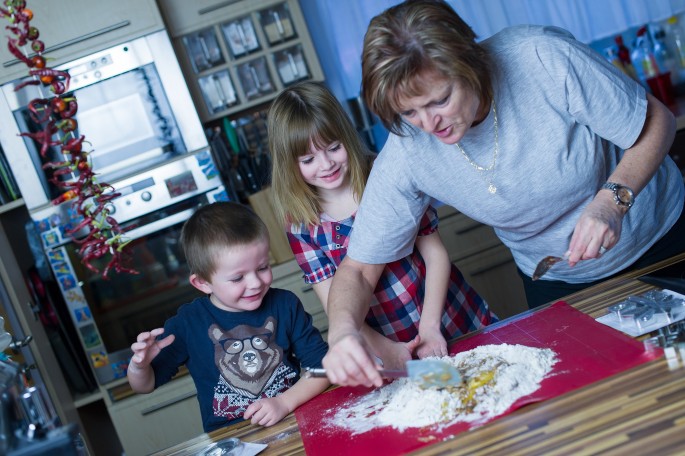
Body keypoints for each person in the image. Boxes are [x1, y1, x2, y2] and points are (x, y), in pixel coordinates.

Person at [322, 0, 685, 388]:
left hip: (662, 244)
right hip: (555, 282)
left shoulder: (541, 56)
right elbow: (359, 269)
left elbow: (656, 121)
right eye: (409, 112)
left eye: (440, 100)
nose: (428, 124)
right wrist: (343, 332)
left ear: (471, 64)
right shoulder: (406, 151)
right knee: (603, 393)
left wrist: (612, 201)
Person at [268, 81, 495, 368]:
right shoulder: (302, 227)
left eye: (334, 148)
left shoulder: (384, 176)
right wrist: (386, 348)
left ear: (347, 137)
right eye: (309, 159)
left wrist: (429, 327)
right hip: (393, 346)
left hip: (452, 316)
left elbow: (435, 255)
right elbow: (334, 305)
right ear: (288, 165)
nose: (326, 164)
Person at [127, 202, 329, 432]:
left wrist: (284, 402)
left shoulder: (285, 304)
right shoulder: (188, 323)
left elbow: (323, 368)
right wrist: (139, 367)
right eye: (237, 278)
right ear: (202, 283)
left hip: (293, 418)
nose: (255, 283)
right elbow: (146, 385)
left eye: (262, 267)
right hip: (231, 437)